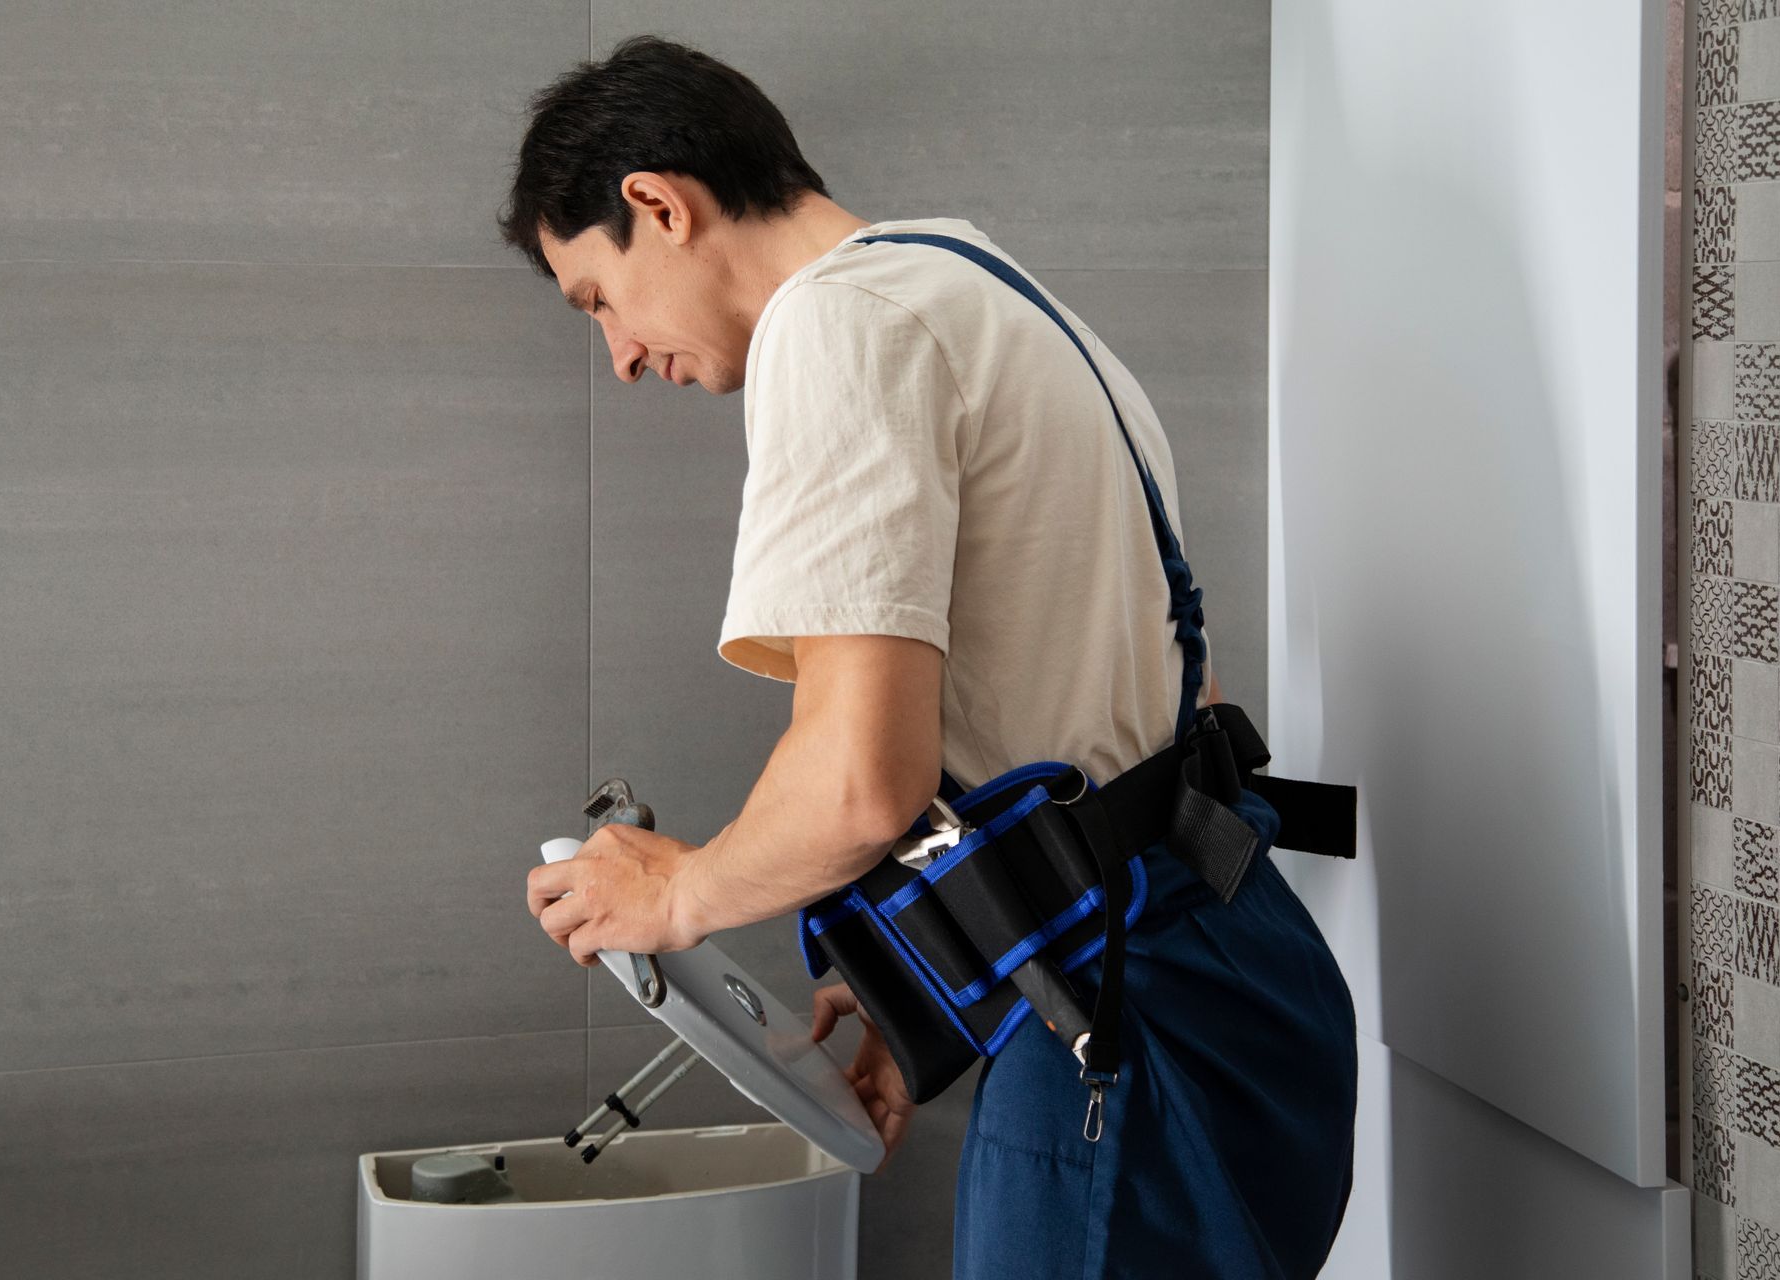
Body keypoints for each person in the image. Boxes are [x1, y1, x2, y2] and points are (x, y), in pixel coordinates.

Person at [508, 33, 1358, 1279]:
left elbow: (862, 782)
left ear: (658, 205)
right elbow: (1131, 716)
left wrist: (676, 892)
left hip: (1118, 1029)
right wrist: (935, 959)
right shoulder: (979, 285)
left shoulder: (834, 327)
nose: (623, 355)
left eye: (598, 299)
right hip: (1234, 963)